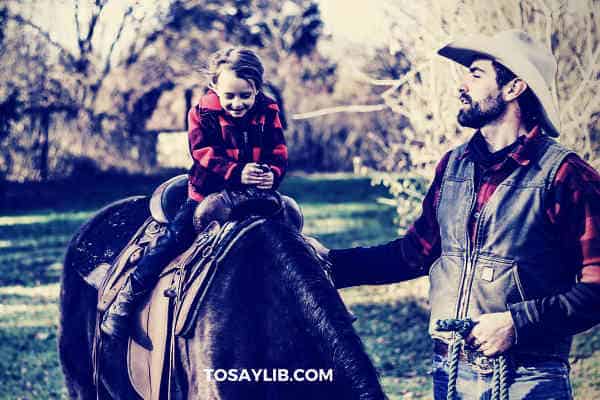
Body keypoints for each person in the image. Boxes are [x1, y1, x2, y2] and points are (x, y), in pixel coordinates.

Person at [308, 30, 600, 399]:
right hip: (450, 372)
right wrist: (330, 265)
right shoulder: (453, 166)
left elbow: (596, 287)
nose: (462, 85)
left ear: (514, 88)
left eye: (476, 74)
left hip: (530, 377)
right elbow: (413, 254)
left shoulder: (566, 175)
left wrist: (517, 323)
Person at [101, 47, 288, 339]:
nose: (237, 103)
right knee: (175, 238)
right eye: (230, 96)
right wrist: (237, 171)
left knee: (290, 231)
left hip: (254, 195)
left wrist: (272, 173)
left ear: (257, 90)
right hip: (208, 191)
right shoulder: (202, 114)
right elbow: (203, 153)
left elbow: (278, 149)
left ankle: (312, 296)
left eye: (245, 96)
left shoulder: (269, 110)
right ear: (215, 87)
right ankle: (128, 296)